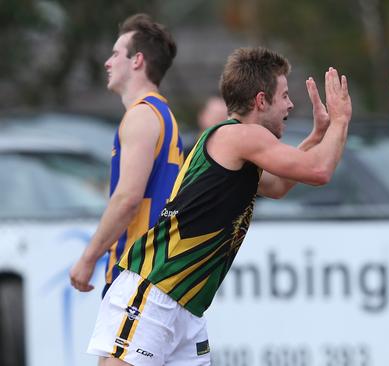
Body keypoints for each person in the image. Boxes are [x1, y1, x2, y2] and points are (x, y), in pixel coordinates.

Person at [84, 47, 352, 365]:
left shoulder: (235, 142)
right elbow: (318, 171)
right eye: (284, 95)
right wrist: (340, 120)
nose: (291, 105)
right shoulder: (241, 136)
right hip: (155, 290)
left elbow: (279, 185)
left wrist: (319, 134)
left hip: (186, 306)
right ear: (261, 100)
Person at [69, 13, 183, 299]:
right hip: (159, 276)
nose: (108, 62)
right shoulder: (163, 115)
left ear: (137, 60)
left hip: (136, 275)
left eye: (116, 53)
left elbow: (127, 199)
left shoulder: (142, 115)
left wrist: (88, 258)